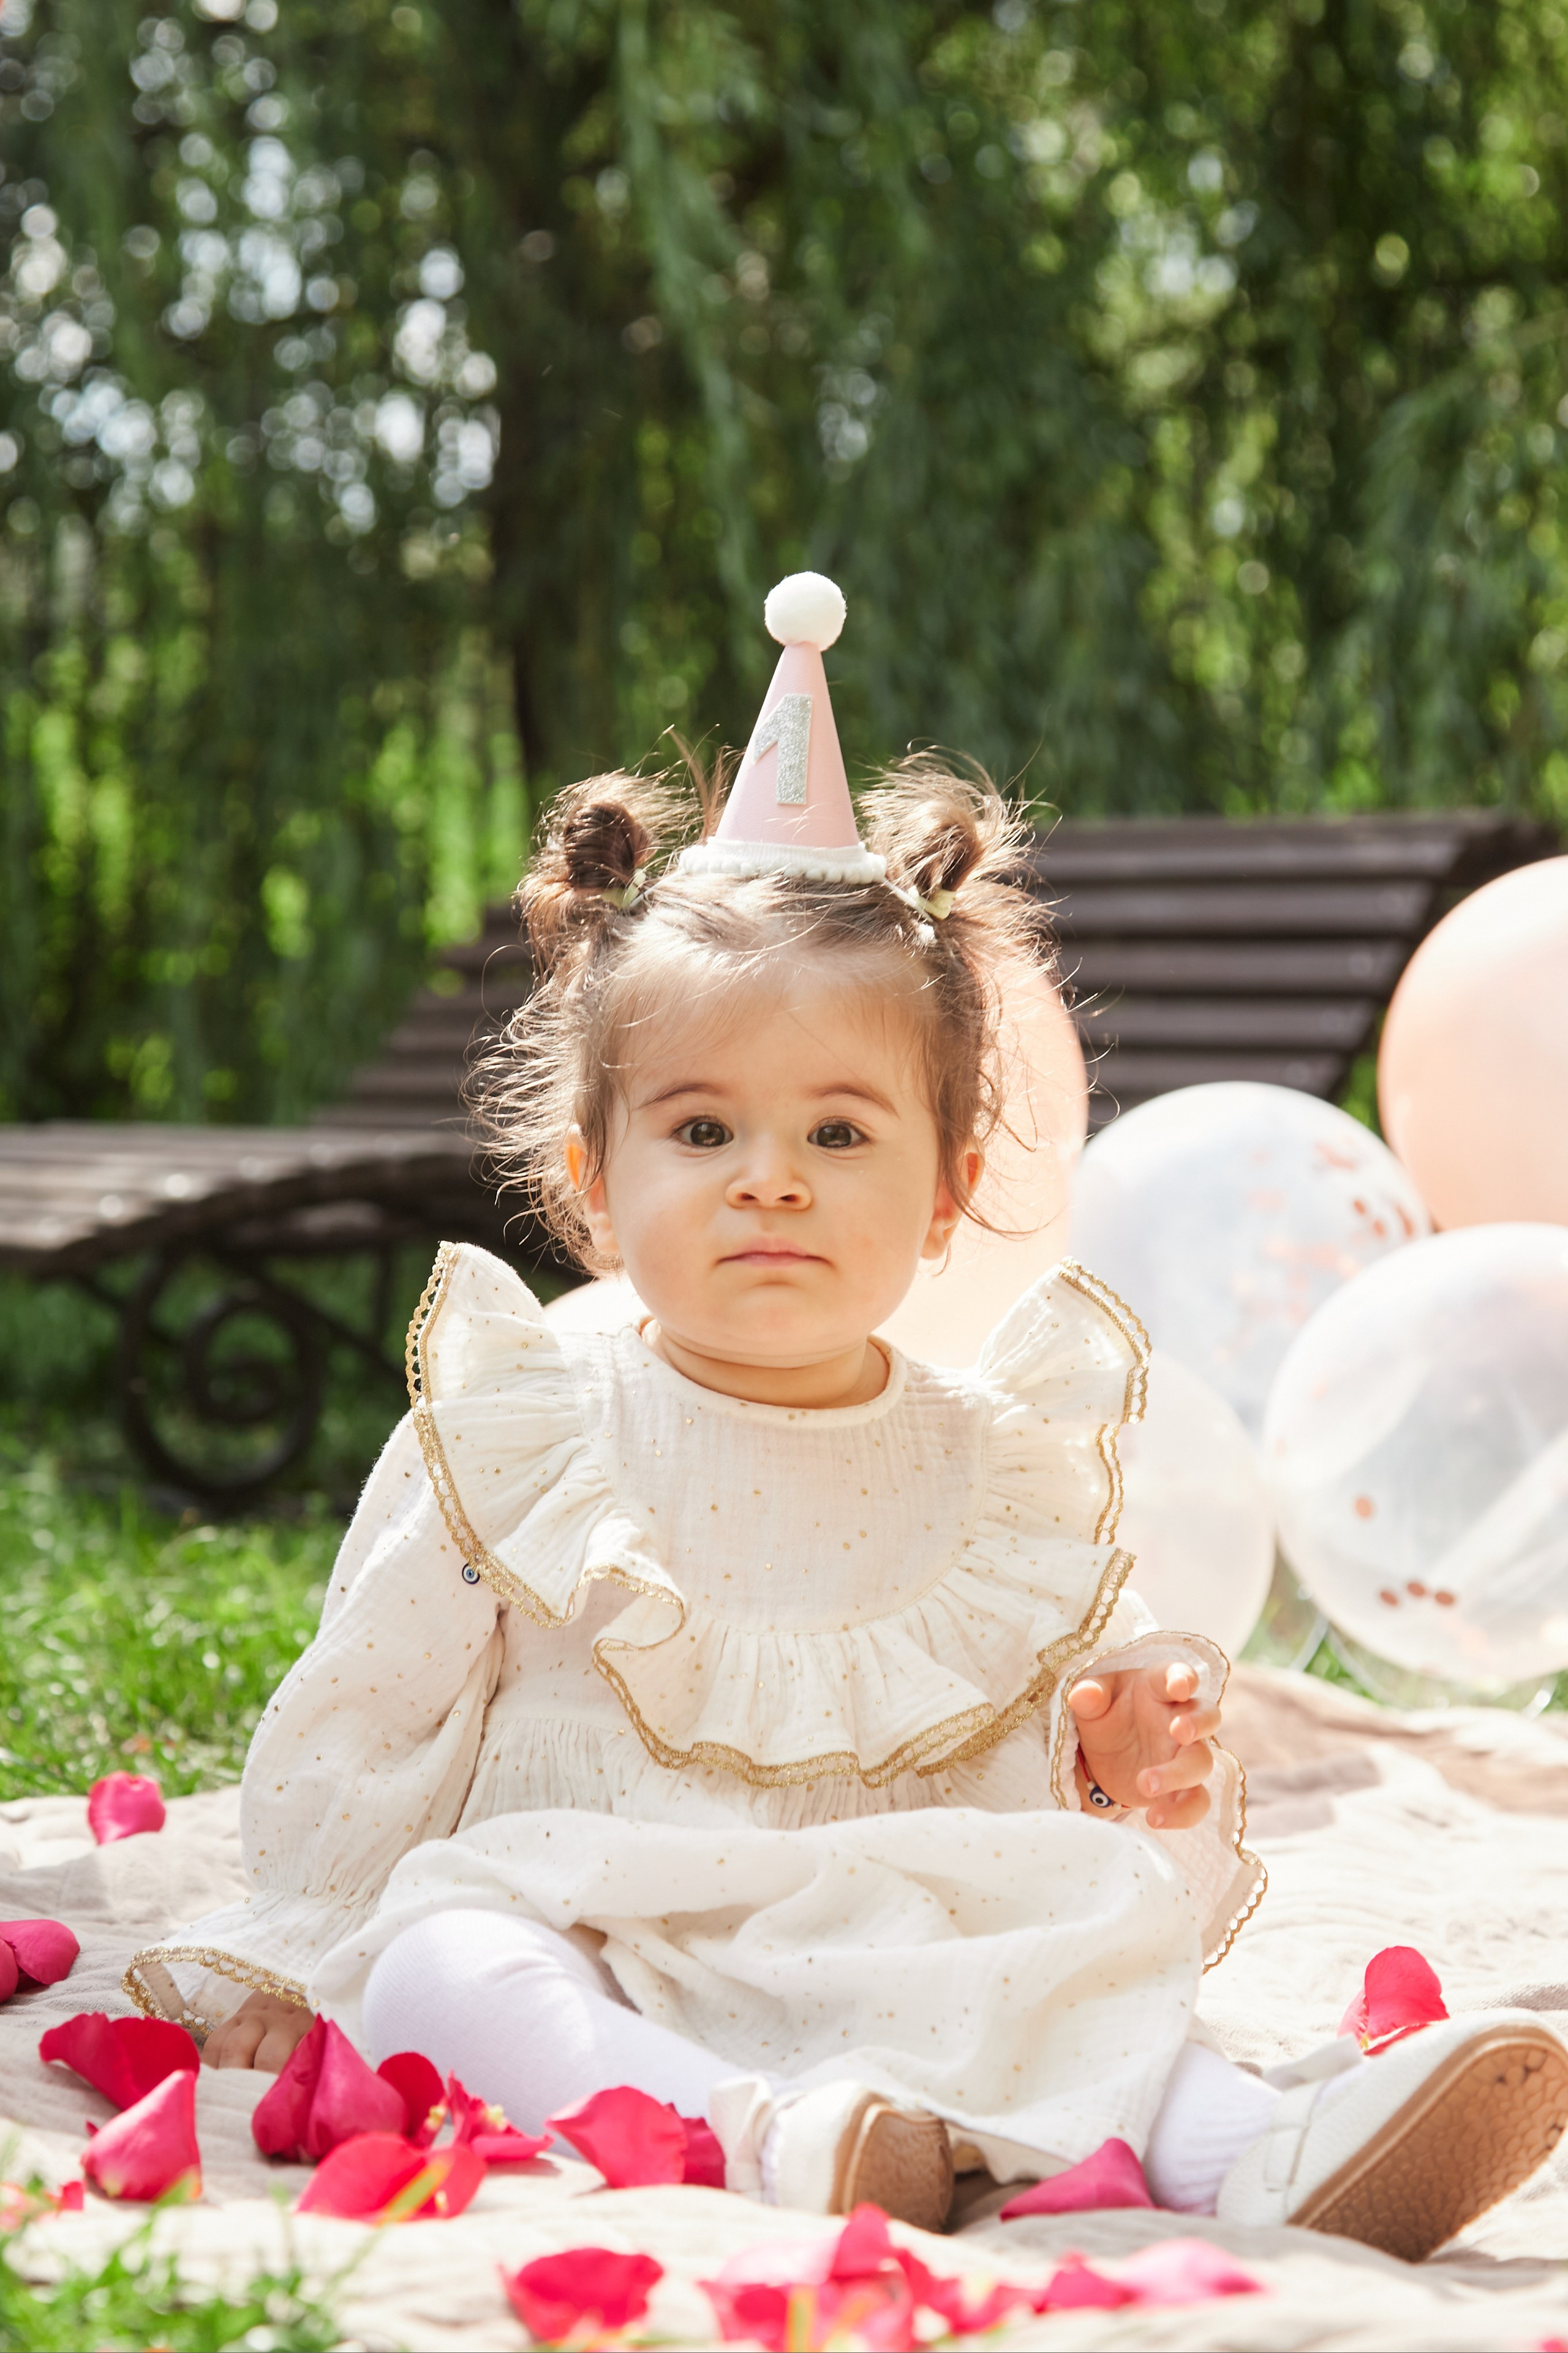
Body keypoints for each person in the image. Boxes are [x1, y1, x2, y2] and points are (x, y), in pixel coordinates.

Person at [128, 575, 1567, 2254]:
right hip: (606, 1911)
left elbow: (1021, 1767)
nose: (771, 1185)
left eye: (838, 1135)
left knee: (1072, 1949)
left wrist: (1110, 1771)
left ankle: (1259, 2141)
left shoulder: (993, 1461)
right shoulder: (540, 1419)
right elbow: (374, 1711)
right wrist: (298, 1946)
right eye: (701, 1132)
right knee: (451, 1955)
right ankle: (759, 2131)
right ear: (592, 1181)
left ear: (951, 1193)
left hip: (900, 1922)